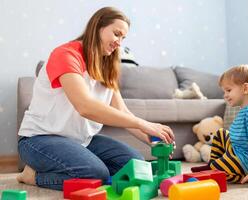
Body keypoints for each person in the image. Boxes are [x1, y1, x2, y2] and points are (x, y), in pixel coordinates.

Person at [17, 7, 175, 191]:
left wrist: (154, 138)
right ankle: (33, 176)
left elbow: (121, 112)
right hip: (39, 139)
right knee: (94, 173)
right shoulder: (66, 55)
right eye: (116, 34)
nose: (119, 42)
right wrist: (142, 123)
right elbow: (85, 106)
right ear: (98, 26)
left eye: (123, 38)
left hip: (81, 141)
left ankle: (78, 164)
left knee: (136, 164)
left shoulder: (107, 66)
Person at [209, 64, 248, 189]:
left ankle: (243, 175)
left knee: (216, 169)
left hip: (247, 161)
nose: (225, 95)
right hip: (239, 150)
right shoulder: (245, 110)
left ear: (245, 88)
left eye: (228, 90)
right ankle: (216, 164)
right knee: (221, 133)